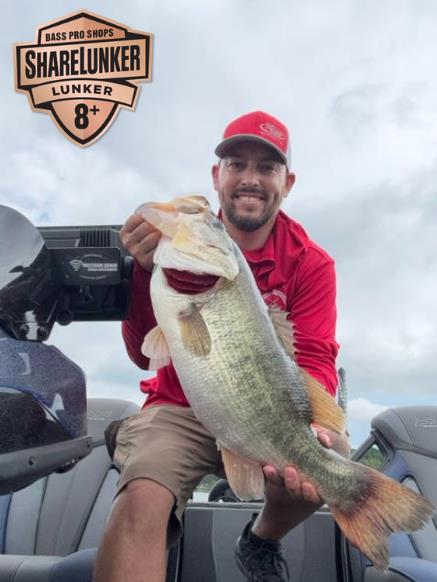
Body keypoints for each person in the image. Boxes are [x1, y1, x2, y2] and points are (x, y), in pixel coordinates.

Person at [93, 111, 349, 582]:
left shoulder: (313, 264)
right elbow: (143, 355)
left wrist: (315, 425)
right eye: (236, 164)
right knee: (141, 494)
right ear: (217, 176)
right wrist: (142, 273)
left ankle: (260, 540)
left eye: (267, 167)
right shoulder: (168, 253)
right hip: (179, 406)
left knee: (329, 465)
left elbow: (315, 357)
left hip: (267, 410)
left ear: (287, 183)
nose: (250, 178)